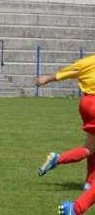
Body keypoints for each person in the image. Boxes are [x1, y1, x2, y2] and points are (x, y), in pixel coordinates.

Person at [36, 55, 95, 215]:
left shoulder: (89, 61)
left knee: (90, 148)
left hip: (87, 104)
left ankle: (88, 183)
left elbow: (68, 72)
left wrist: (46, 79)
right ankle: (77, 208)